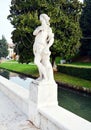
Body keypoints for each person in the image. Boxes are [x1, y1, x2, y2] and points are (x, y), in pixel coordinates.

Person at [33, 14, 55, 84]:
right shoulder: (39, 27)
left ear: (44, 19)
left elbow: (51, 39)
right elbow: (34, 33)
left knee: (37, 61)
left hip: (42, 47)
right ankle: (41, 77)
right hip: (36, 46)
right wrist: (39, 29)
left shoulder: (48, 29)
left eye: (41, 18)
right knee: (40, 62)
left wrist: (47, 47)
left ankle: (45, 77)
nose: (40, 20)